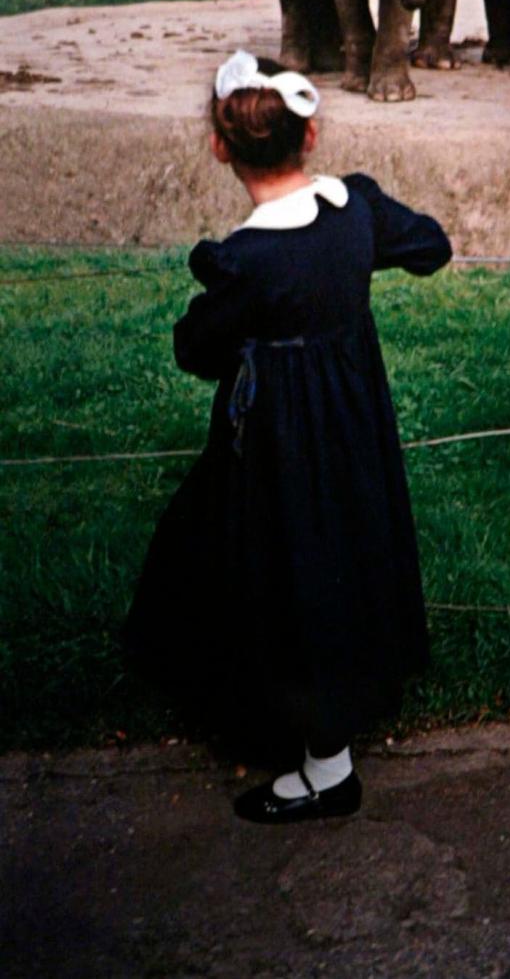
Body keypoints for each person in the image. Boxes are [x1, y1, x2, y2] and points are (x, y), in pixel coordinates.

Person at [124, 50, 451, 822]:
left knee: (288, 569)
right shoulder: (356, 210)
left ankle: (325, 768)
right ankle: (322, 701)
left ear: (219, 147)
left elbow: (193, 350)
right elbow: (431, 245)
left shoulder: (247, 260)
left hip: (277, 449)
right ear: (309, 138)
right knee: (341, 550)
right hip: (353, 428)